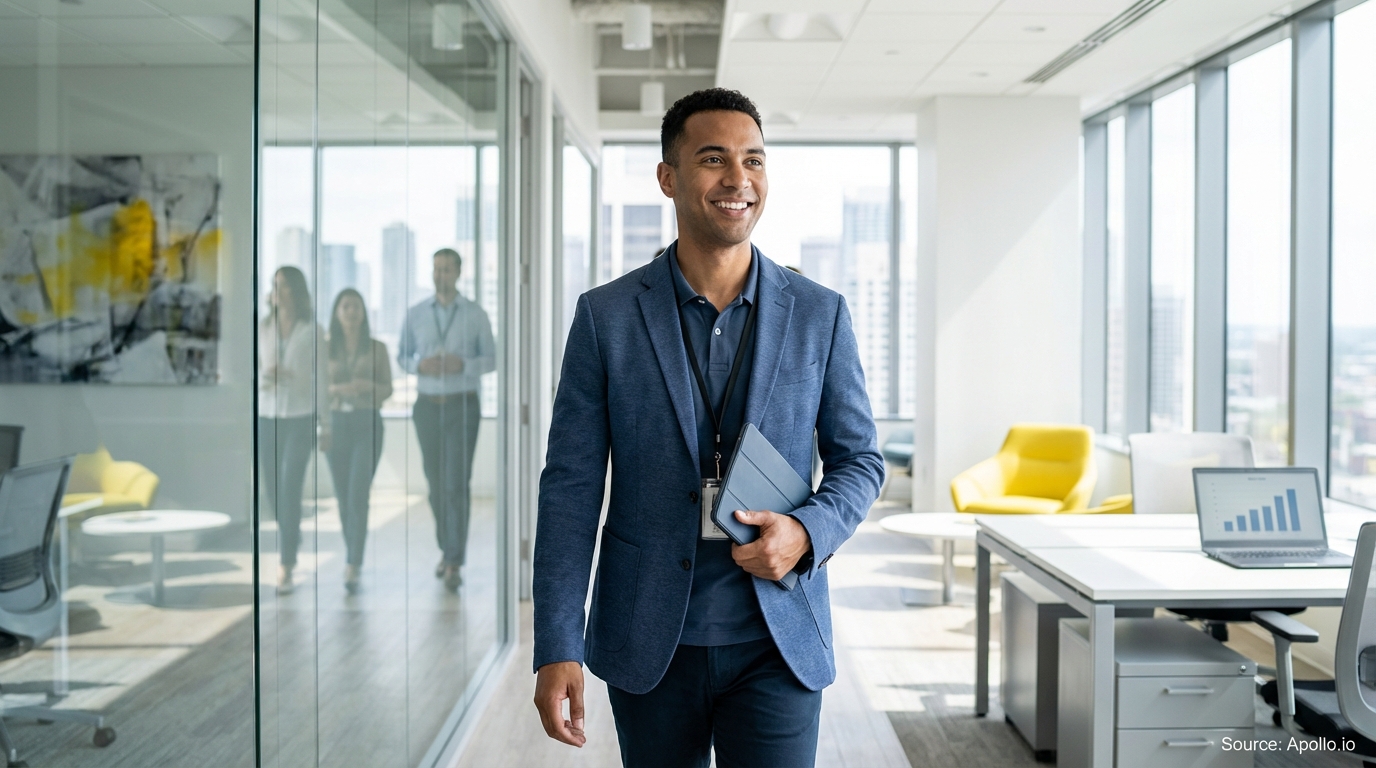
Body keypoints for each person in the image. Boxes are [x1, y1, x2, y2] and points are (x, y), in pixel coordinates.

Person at [532, 89, 884, 768]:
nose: (738, 179)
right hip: (648, 641)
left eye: (753, 160)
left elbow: (860, 460)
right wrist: (556, 644)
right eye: (713, 159)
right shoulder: (606, 318)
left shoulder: (820, 314)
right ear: (667, 177)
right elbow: (570, 489)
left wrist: (808, 531)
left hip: (778, 639)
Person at [397, 248, 496, 592]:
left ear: (458, 273)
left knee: (456, 484)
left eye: (447, 269)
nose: (441, 275)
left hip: (462, 406)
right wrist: (417, 366)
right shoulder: (415, 314)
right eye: (436, 269)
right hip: (426, 406)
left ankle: (454, 559)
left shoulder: (475, 314)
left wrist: (463, 365)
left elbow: (491, 359)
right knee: (435, 484)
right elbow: (402, 356)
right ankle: (446, 549)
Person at [258, 266, 329, 595]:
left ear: (296, 292)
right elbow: (253, 374)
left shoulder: (312, 330)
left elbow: (321, 380)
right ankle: (292, 533)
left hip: (300, 417)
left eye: (285, 286)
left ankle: (286, 562)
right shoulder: (263, 328)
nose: (279, 291)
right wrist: (267, 376)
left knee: (290, 488)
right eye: (275, 285)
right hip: (268, 415)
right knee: (273, 491)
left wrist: (324, 423)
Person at [325, 288, 393, 594]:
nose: (351, 312)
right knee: (342, 497)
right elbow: (317, 389)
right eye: (345, 306)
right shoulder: (326, 349)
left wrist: (366, 386)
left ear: (364, 312)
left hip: (368, 423)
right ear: (337, 312)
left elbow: (388, 389)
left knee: (357, 493)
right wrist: (338, 390)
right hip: (337, 425)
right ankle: (351, 549)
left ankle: (354, 561)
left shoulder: (377, 348)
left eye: (356, 306)